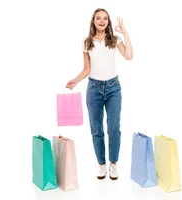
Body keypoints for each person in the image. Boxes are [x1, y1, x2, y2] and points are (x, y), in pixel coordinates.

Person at [65, 8, 133, 180]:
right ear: (93, 21)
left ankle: (113, 164)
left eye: (105, 18)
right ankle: (102, 165)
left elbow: (129, 56)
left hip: (113, 88)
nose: (102, 21)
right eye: (98, 18)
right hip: (94, 89)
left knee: (113, 128)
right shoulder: (87, 42)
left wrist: (124, 32)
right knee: (96, 130)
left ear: (108, 22)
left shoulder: (114, 40)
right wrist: (75, 80)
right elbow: (87, 69)